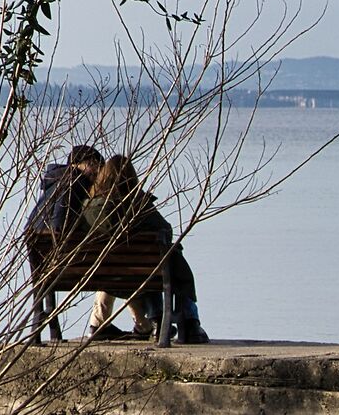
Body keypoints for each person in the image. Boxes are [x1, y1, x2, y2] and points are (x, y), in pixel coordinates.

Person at [80, 154, 208, 343]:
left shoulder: (89, 208)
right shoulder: (138, 205)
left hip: (102, 275)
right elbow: (165, 229)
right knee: (173, 261)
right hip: (142, 274)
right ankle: (190, 323)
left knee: (151, 263)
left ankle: (156, 321)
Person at [25, 144, 103, 340]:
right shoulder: (74, 182)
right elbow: (59, 220)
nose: (97, 173)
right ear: (85, 164)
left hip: (42, 263)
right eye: (95, 166)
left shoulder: (55, 181)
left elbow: (33, 224)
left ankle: (44, 330)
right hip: (63, 263)